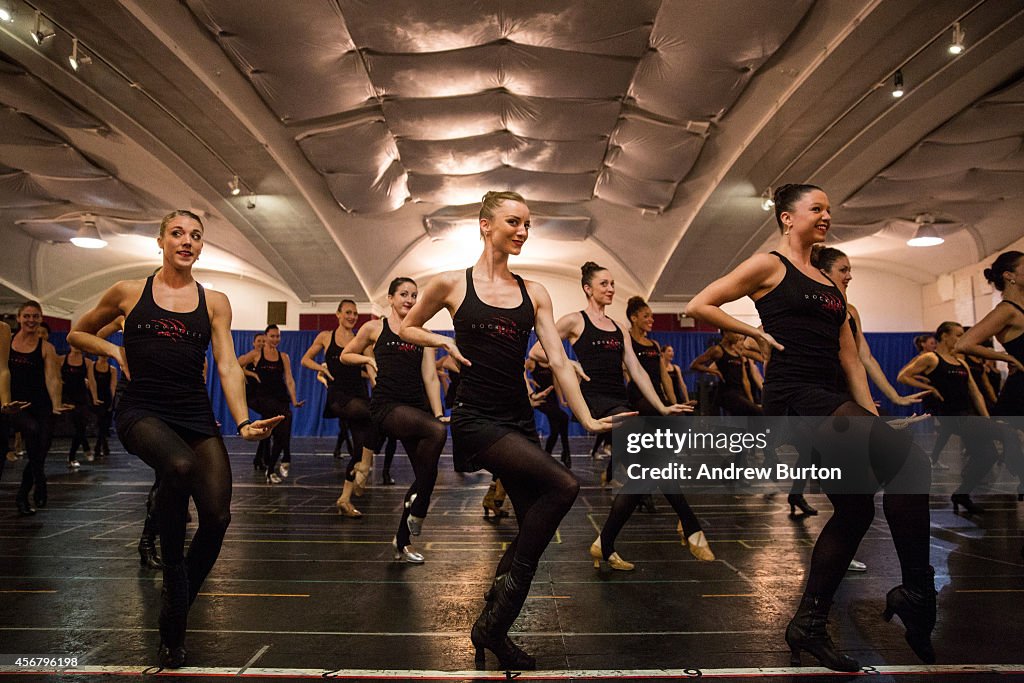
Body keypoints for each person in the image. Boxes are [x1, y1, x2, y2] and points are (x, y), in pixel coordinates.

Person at [686, 184, 935, 671]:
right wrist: (753, 331)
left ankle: (809, 624)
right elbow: (700, 304)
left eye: (828, 209)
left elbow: (850, 357)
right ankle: (917, 594)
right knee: (912, 464)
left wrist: (874, 415)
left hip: (832, 398)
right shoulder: (769, 265)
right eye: (816, 208)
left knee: (855, 509)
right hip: (794, 397)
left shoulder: (829, 282)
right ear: (786, 217)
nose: (826, 215)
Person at [399, 191, 625, 670]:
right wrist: (441, 340)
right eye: (513, 222)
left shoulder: (535, 292)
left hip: (517, 418)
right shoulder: (450, 285)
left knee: (532, 531)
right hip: (477, 420)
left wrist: (585, 417)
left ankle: (492, 628)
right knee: (564, 485)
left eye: (528, 224)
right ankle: (493, 624)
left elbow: (560, 360)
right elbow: (406, 329)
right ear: (485, 225)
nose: (522, 231)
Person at [67, 210, 281, 669]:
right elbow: (77, 332)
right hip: (140, 408)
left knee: (219, 516)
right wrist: (112, 347)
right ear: (161, 241)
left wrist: (243, 422)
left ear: (201, 247)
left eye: (196, 236)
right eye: (178, 233)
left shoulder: (215, 301)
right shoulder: (129, 292)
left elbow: (226, 364)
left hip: (193, 414)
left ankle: (177, 594)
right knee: (179, 467)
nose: (187, 241)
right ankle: (173, 577)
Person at [531, 267, 701, 569]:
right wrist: (569, 361)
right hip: (595, 403)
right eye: (604, 283)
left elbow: (635, 369)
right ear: (588, 288)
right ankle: (691, 525)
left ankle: (605, 544)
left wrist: (661, 407)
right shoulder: (574, 320)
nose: (610, 288)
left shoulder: (618, 326)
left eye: (612, 283)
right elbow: (537, 351)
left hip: (620, 402)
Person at [342, 277, 446, 562]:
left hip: (415, 409)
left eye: (414, 295)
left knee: (428, 473)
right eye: (403, 294)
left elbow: (430, 377)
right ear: (390, 298)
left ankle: (402, 540)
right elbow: (345, 355)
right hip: (387, 407)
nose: (409, 300)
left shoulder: (422, 333)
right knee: (436, 434)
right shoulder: (375, 327)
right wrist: (366, 360)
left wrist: (437, 413)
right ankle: (420, 509)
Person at [900, 322, 1021, 512]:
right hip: (951, 416)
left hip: (967, 415)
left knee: (987, 455)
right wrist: (930, 387)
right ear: (944, 336)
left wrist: (988, 420)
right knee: (1008, 433)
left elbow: (976, 395)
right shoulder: (932, 358)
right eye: (957, 335)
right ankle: (1021, 479)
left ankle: (961, 494)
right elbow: (903, 376)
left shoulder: (961, 362)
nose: (960, 338)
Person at [301, 300, 374, 515]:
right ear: (338, 314)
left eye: (355, 313)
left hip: (359, 395)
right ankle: (364, 468)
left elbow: (371, 368)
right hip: (339, 397)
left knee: (359, 449)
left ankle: (344, 498)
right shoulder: (325, 336)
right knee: (371, 414)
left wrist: (378, 389)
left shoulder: (362, 339)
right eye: (348, 312)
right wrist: (322, 371)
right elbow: (306, 359)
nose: (352, 316)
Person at [10, 302, 69, 515]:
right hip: (14, 406)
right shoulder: (7, 343)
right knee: (32, 432)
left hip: (41, 405)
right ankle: (41, 479)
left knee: (40, 450)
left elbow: (53, 378)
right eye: (27, 316)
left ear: (40, 318)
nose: (31, 320)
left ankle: (23, 496)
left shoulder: (46, 347)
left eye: (35, 316)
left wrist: (56, 406)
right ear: (18, 318)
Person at [238, 325, 304, 483]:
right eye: (272, 336)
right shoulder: (256, 354)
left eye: (278, 336)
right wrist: (251, 373)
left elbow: (289, 379)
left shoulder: (284, 357)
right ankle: (283, 459)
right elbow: (236, 364)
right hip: (264, 398)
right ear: (266, 336)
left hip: (280, 397)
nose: (275, 339)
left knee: (283, 433)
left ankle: (271, 468)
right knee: (282, 422)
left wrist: (294, 400)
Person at [60, 346, 97, 467]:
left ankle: (73, 455)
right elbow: (55, 378)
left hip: (82, 398)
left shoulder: (87, 362)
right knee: (78, 427)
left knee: (81, 427)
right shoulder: (61, 360)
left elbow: (91, 381)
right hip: (68, 399)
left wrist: (95, 398)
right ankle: (78, 452)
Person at [91, 353, 118, 458]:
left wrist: (113, 401)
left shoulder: (112, 369)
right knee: (100, 421)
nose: (103, 357)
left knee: (104, 424)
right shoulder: (92, 366)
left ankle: (101, 446)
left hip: (106, 397)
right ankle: (101, 447)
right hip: (96, 397)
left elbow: (113, 385)